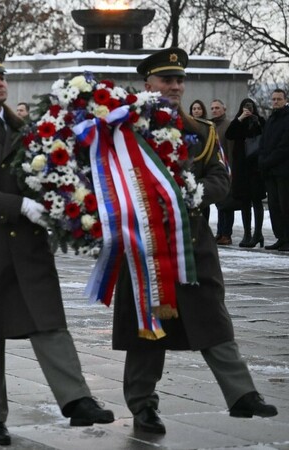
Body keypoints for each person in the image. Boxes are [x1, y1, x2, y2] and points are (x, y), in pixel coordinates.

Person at [0, 45, 114, 446]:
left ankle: (76, 401)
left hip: (28, 247)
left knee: (49, 322)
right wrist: (19, 205)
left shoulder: (26, 129)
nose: (0, 82)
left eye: (2, 76)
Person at [113, 48, 277, 435]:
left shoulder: (202, 133)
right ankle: (142, 406)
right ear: (148, 83)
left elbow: (221, 178)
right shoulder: (126, 131)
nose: (175, 86)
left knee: (212, 317)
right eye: (166, 79)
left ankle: (241, 394)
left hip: (194, 240)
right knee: (148, 325)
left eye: (179, 79)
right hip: (145, 244)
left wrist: (191, 192)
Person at [226, 98, 267, 247]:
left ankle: (258, 233)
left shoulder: (260, 121)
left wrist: (257, 121)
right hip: (241, 168)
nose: (248, 109)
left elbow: (266, 135)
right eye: (245, 107)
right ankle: (247, 233)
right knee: (244, 201)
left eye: (250, 106)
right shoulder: (238, 122)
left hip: (256, 168)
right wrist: (240, 118)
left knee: (256, 200)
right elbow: (229, 134)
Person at [258, 89, 289, 250]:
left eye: (278, 99)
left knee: (285, 206)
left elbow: (284, 147)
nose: (275, 102)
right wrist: (262, 159)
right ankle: (281, 237)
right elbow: (263, 142)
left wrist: (267, 161)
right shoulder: (271, 119)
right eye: (273, 99)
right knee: (274, 206)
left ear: (285, 100)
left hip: (283, 171)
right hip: (270, 171)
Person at [210, 99, 236, 245]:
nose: (214, 110)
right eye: (212, 108)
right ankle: (220, 232)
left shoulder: (228, 126)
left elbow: (231, 150)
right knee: (220, 203)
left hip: (227, 168)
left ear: (224, 109)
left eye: (217, 108)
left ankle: (227, 233)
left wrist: (231, 169)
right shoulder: (212, 126)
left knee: (228, 204)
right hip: (216, 168)